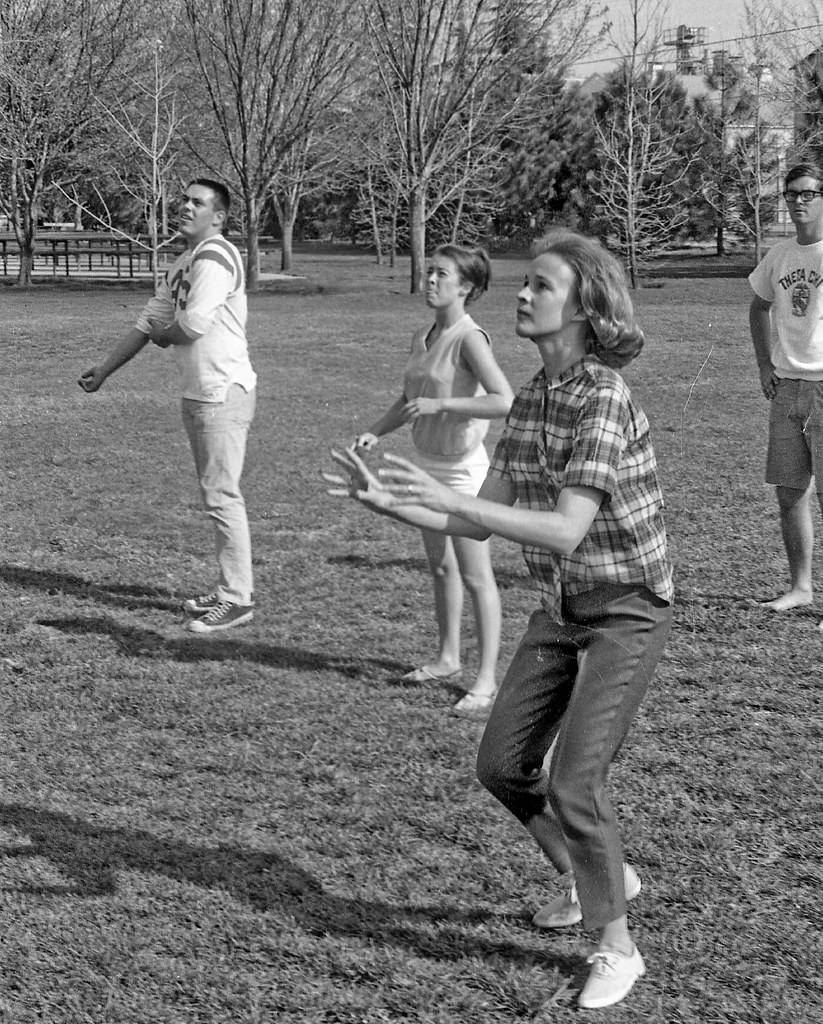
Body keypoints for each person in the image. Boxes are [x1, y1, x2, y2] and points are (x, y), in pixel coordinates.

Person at [325, 228, 673, 1009]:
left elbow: (562, 529)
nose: (520, 294)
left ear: (584, 308)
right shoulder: (534, 399)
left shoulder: (604, 399)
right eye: (524, 284)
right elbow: (486, 522)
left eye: (540, 287)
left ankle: (616, 946)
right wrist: (389, 502)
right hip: (562, 606)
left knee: (575, 781)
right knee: (500, 766)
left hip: (624, 609)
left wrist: (451, 495)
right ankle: (597, 879)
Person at [79, 178, 257, 634]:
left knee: (222, 495)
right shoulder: (185, 261)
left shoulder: (216, 256)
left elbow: (191, 325)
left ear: (217, 217)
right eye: (183, 199)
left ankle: (238, 599)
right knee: (215, 493)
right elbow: (150, 320)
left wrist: (165, 337)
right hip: (201, 392)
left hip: (222, 392)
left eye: (197, 203)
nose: (184, 206)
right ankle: (228, 588)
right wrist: (105, 369)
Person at [355, 244, 513, 715]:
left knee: (476, 574)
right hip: (427, 463)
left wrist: (443, 406)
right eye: (428, 273)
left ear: (465, 287)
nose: (429, 281)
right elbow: (408, 398)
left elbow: (504, 400)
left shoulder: (470, 338)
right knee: (440, 567)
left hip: (464, 472)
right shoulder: (420, 336)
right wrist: (375, 430)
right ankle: (447, 658)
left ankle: (485, 681)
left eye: (441, 275)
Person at [749, 162, 823, 620]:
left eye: (808, 193)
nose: (798, 201)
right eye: (792, 193)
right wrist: (763, 363)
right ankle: (801, 587)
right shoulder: (779, 255)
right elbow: (758, 306)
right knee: (790, 492)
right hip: (787, 389)